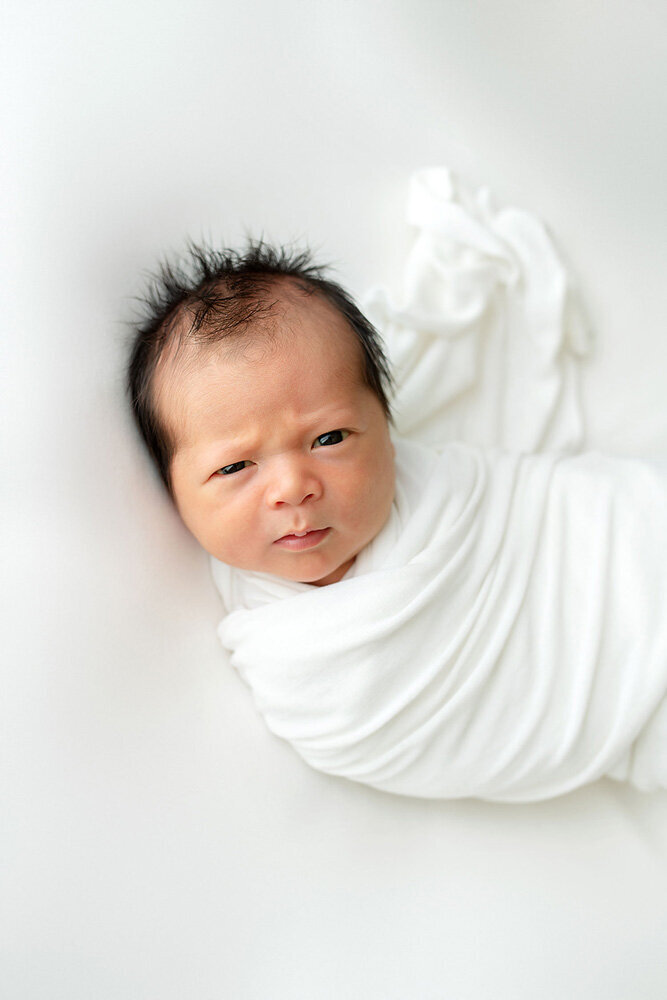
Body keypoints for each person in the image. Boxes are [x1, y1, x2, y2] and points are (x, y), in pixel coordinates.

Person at [127, 239, 667, 802]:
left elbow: (578, 520)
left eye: (329, 438)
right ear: (172, 491)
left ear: (386, 426)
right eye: (236, 466)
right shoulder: (290, 654)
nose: (292, 488)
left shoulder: (450, 499)